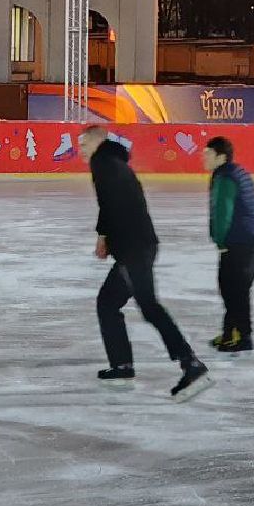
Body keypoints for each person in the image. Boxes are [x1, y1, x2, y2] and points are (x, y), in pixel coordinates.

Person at [82, 126, 209, 399]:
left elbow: (109, 203)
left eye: (84, 144)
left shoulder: (102, 162)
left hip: (133, 249)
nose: (81, 151)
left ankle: (191, 364)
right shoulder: (115, 162)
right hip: (138, 246)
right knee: (108, 302)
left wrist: (103, 236)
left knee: (149, 306)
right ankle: (122, 365)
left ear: (97, 142)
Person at [204, 136, 254, 353]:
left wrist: (220, 241)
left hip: (243, 242)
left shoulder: (224, 177)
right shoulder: (234, 171)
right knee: (233, 289)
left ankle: (242, 337)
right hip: (253, 239)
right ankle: (230, 332)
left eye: (208, 154)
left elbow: (222, 212)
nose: (203, 158)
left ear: (220, 157)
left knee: (234, 289)